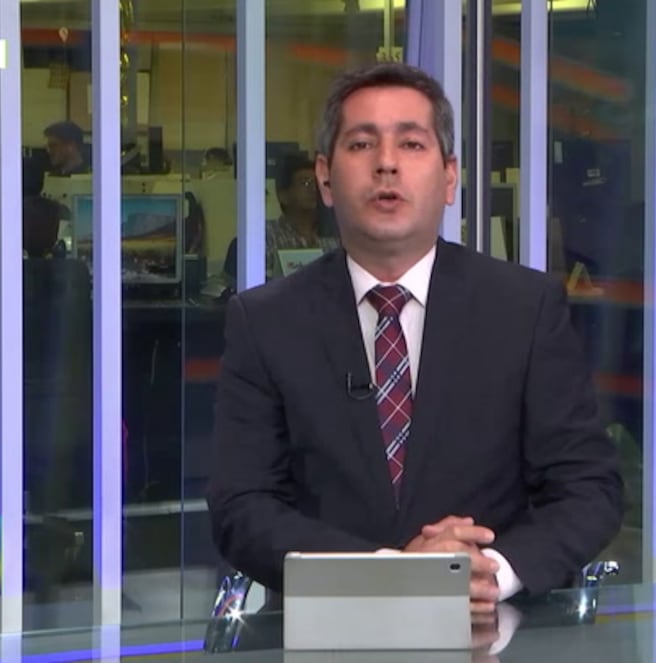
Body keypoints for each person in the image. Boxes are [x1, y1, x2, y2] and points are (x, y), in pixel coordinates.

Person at [207, 62, 623, 617]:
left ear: (449, 178)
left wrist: (490, 573)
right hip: (328, 630)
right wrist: (393, 574)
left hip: (495, 628)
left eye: (411, 143)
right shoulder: (266, 321)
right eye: (362, 144)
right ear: (325, 178)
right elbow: (241, 506)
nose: (386, 163)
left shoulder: (526, 309)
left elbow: (588, 487)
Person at [265, 153, 341, 277]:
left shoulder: (334, 236)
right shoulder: (267, 235)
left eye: (315, 183)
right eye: (305, 183)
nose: (313, 189)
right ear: (283, 196)